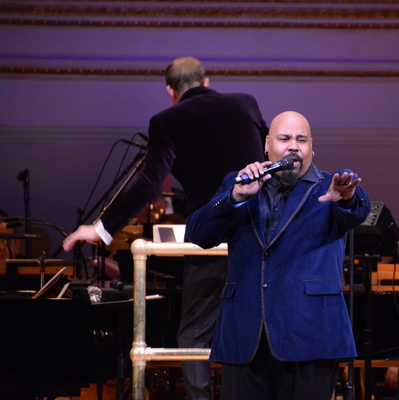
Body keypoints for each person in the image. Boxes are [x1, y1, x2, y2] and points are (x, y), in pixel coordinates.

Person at [62, 56, 269, 400]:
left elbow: (149, 185)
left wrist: (101, 229)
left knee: (192, 335)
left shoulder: (167, 121)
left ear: (171, 92)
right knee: (257, 326)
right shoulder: (245, 102)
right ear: (206, 82)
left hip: (213, 236)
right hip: (262, 235)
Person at [185, 111, 371, 399]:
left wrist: (347, 197)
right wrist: (235, 198)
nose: (293, 146)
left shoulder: (329, 188)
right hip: (245, 336)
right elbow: (198, 234)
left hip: (311, 336)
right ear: (267, 144)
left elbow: (358, 209)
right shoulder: (239, 183)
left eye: (301, 140)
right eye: (284, 139)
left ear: (312, 146)